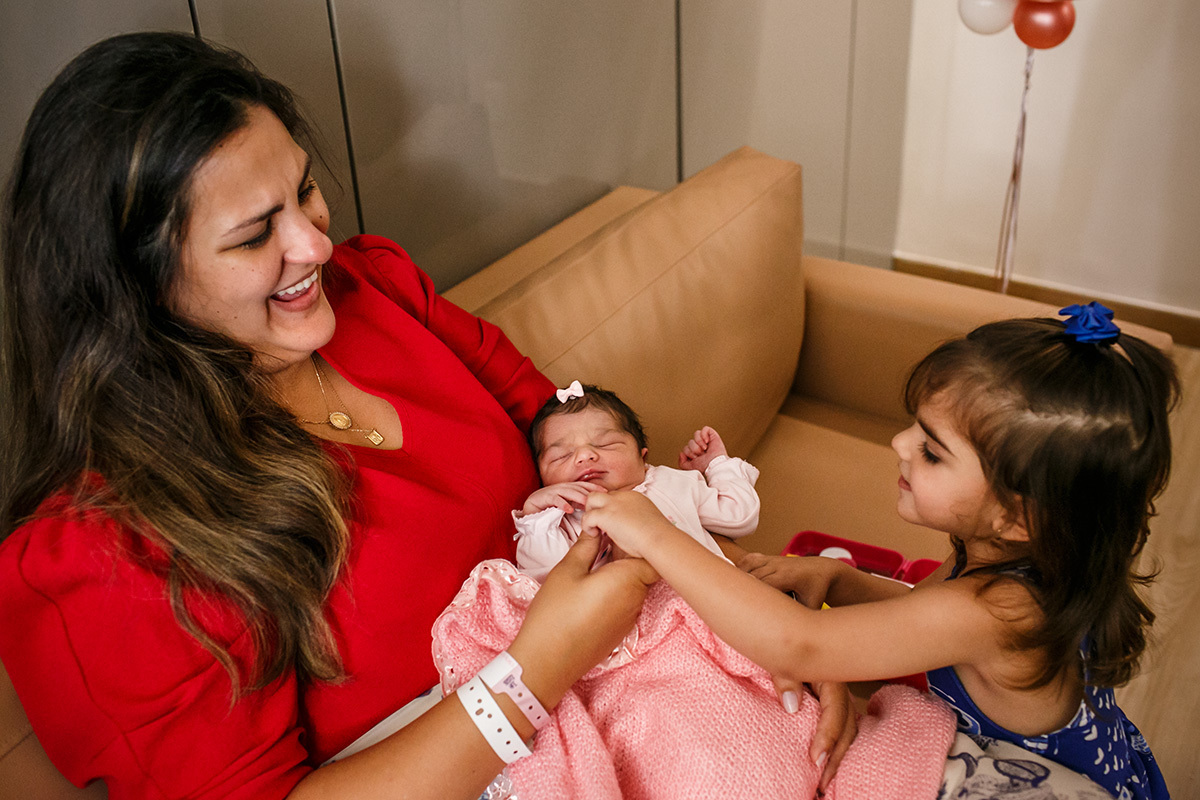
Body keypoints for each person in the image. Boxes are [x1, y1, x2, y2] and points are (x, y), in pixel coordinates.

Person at [0, 32, 852, 799]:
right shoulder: (108, 550)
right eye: (257, 234)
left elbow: (578, 443)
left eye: (304, 190)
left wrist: (756, 629)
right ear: (137, 286)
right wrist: (539, 668)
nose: (315, 244)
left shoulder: (376, 291)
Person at [584, 307, 1176, 800]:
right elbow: (924, 608)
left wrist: (656, 533)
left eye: (933, 451)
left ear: (1016, 515)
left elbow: (799, 643)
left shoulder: (1002, 609)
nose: (898, 443)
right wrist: (834, 578)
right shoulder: (1029, 555)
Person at [513, 382, 760, 581]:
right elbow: (547, 580)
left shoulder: (670, 483)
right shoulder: (563, 519)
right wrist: (537, 517)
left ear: (643, 459)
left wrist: (717, 465)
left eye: (604, 444)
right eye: (562, 456)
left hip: (712, 603)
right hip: (633, 631)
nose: (584, 456)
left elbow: (738, 516)